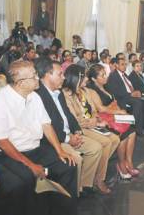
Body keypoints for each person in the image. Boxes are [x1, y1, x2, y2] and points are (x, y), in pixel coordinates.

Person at [0, 60, 78, 215]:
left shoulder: (34, 97)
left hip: (35, 148)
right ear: (20, 82)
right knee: (26, 178)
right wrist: (30, 165)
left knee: (68, 165)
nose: (38, 78)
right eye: (34, 76)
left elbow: (46, 125)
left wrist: (60, 151)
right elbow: (2, 142)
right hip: (9, 154)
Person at [34, 58, 104, 195]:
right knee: (76, 159)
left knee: (96, 148)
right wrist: (68, 139)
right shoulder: (39, 95)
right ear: (48, 75)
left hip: (69, 134)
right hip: (56, 139)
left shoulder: (58, 92)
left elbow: (69, 115)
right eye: (60, 74)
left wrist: (77, 130)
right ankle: (73, 194)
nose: (64, 77)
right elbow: (49, 126)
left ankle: (84, 185)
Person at [62, 65, 122, 192]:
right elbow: (74, 120)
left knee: (115, 139)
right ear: (76, 79)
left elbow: (93, 110)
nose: (87, 80)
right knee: (105, 143)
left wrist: (98, 120)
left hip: (91, 124)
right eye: (84, 77)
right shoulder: (66, 95)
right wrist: (93, 122)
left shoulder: (84, 91)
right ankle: (94, 180)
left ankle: (95, 174)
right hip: (80, 127)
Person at [87, 64, 140, 177]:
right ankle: (120, 164)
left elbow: (113, 101)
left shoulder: (106, 86)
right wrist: (118, 112)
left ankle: (128, 162)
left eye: (105, 74)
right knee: (125, 134)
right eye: (102, 75)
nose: (106, 77)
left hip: (112, 115)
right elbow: (100, 108)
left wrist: (118, 109)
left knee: (133, 131)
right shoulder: (92, 90)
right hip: (103, 118)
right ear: (93, 79)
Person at [106, 58, 144, 135]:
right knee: (137, 102)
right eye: (122, 64)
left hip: (129, 96)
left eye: (125, 64)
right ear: (116, 65)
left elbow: (130, 86)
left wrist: (136, 92)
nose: (124, 66)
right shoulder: (113, 75)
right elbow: (115, 91)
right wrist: (131, 94)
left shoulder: (124, 75)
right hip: (121, 98)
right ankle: (136, 129)